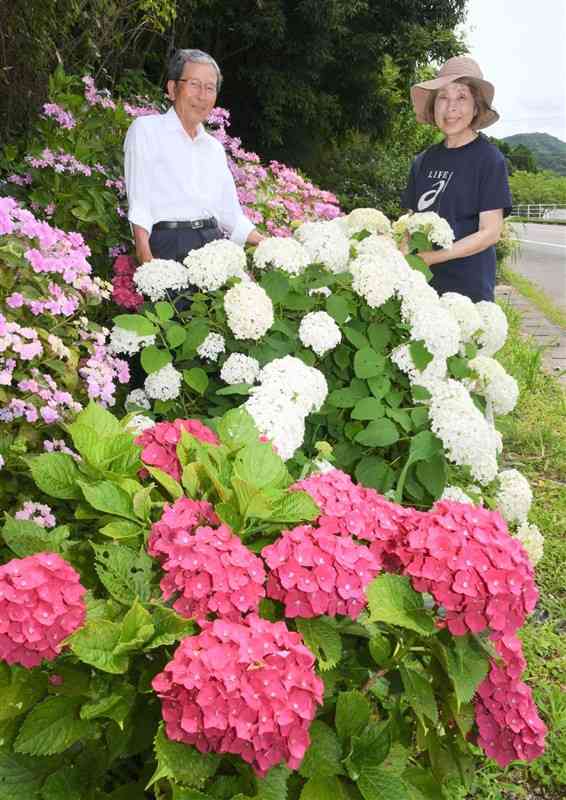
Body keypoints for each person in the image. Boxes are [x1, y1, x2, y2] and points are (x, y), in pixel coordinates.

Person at [124, 48, 265, 266]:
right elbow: (139, 202)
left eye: (210, 88)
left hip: (212, 245)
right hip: (169, 246)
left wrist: (271, 245)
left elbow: (230, 214)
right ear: (172, 89)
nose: (202, 95)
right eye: (194, 84)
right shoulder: (146, 130)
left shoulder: (214, 148)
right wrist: (146, 259)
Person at [401, 56, 512, 302]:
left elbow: (490, 232)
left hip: (467, 292)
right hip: (421, 287)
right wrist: (403, 250)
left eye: (461, 97)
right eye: (443, 97)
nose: (450, 108)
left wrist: (433, 257)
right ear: (433, 106)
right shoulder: (423, 161)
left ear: (476, 108)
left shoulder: (489, 160)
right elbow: (411, 220)